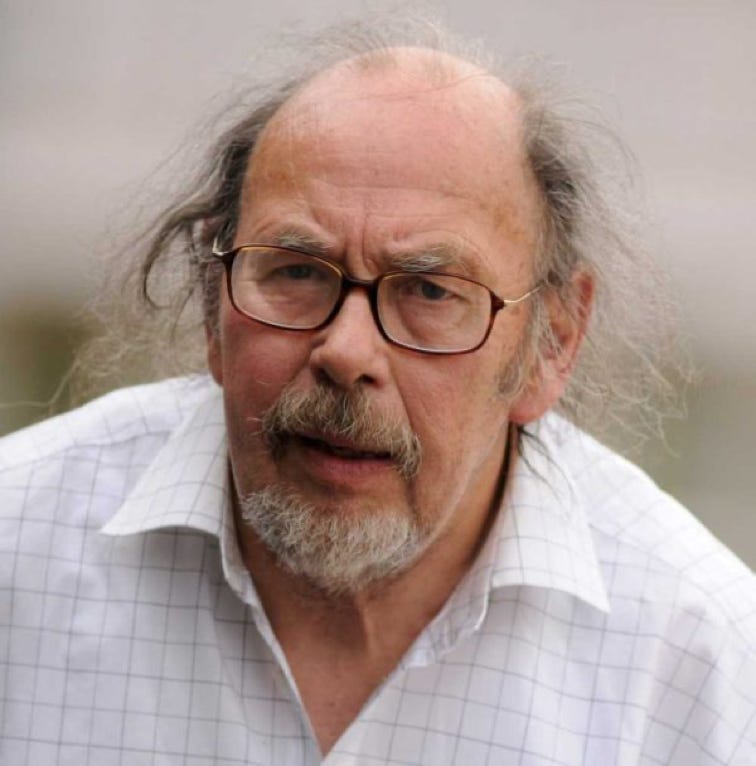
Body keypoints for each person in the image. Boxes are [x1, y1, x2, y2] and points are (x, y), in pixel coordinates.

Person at [1, 18, 754, 766]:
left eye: (429, 290)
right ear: (211, 301)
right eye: (296, 270)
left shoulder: (700, 667)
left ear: (550, 344)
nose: (347, 352)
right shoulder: (18, 550)